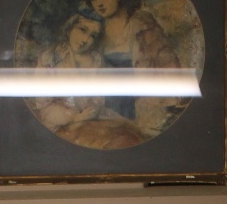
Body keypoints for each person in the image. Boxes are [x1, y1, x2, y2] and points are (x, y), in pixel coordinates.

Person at [80, 0, 185, 135]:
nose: (99, 2)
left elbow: (168, 62)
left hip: (143, 105)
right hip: (106, 107)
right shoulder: (95, 30)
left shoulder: (142, 24)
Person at [26, 10, 145, 150]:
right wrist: (74, 118)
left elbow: (98, 99)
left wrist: (92, 111)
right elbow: (42, 104)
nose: (85, 40)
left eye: (92, 36)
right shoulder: (50, 57)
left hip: (95, 117)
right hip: (61, 123)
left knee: (131, 135)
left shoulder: (96, 59)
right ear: (70, 28)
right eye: (82, 30)